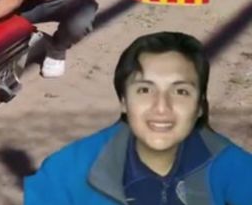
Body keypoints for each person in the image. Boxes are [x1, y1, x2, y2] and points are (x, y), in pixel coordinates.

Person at [24, 31, 252, 204]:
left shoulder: (236, 169)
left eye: (181, 91)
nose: (161, 108)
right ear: (123, 100)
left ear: (200, 106)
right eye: (145, 90)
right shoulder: (64, 172)